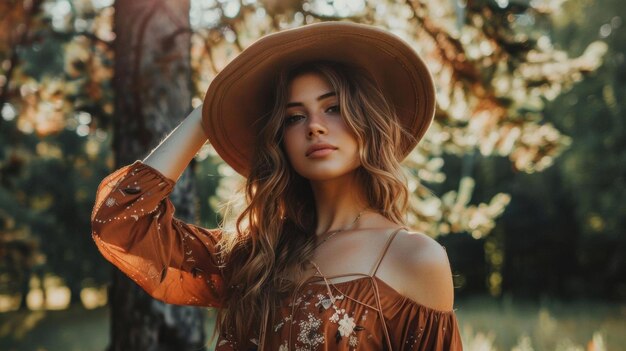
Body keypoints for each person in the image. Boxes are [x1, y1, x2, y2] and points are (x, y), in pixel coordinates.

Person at [91, 22, 463, 350]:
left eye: (332, 108)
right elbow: (120, 221)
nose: (314, 126)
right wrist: (208, 114)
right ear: (280, 140)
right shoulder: (258, 254)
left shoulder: (415, 258)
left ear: (369, 123)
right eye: (294, 117)